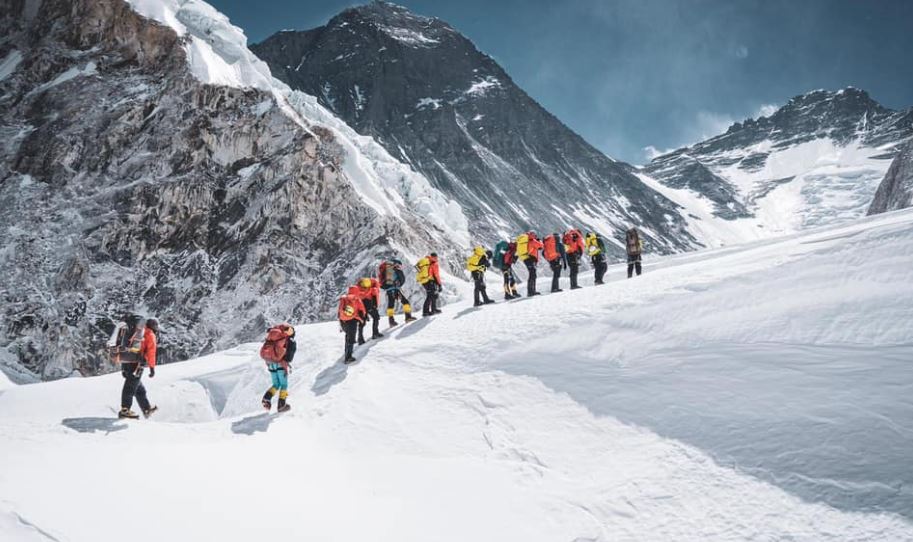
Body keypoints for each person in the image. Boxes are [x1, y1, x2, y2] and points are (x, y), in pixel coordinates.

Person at [113, 316, 159, 419]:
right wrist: (152, 368)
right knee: (130, 386)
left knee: (138, 387)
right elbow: (151, 352)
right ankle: (125, 410)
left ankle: (146, 408)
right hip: (137, 364)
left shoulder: (138, 331)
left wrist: (124, 366)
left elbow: (128, 346)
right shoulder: (149, 334)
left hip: (128, 361)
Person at [260, 323, 296, 412]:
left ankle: (266, 398)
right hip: (281, 364)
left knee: (276, 384)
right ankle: (281, 405)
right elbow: (289, 357)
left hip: (271, 363)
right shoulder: (288, 340)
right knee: (284, 385)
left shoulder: (274, 339)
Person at [378, 258, 416, 327]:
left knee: (391, 304)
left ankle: (391, 321)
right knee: (405, 302)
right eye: (399, 265)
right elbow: (400, 279)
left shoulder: (388, 269)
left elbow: (386, 282)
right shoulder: (392, 269)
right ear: (396, 263)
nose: (399, 267)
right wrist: (397, 283)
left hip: (390, 290)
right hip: (394, 289)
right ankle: (408, 317)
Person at [339, 288, 366, 363]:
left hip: (343, 320)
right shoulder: (356, 299)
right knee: (351, 338)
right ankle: (348, 357)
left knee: (347, 336)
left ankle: (346, 353)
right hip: (352, 320)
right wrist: (362, 319)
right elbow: (362, 310)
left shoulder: (344, 298)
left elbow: (340, 310)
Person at [354, 277, 383, 343]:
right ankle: (375, 333)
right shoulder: (373, 288)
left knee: (362, 322)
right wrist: (375, 306)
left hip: (361, 307)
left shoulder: (358, 288)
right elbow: (375, 297)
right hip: (370, 305)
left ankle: (360, 338)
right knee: (376, 317)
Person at [518, 231, 543, 296]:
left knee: (532, 274)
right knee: (532, 274)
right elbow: (541, 246)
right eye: (535, 235)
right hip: (531, 259)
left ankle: (532, 291)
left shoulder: (527, 241)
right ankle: (531, 292)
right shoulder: (532, 241)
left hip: (526, 258)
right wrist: (539, 241)